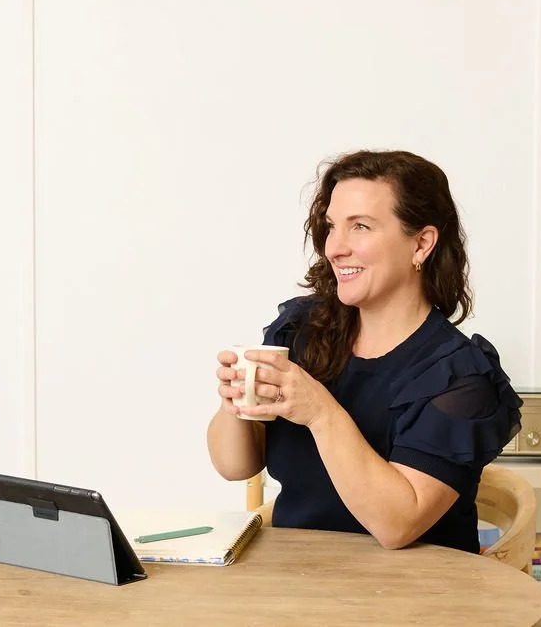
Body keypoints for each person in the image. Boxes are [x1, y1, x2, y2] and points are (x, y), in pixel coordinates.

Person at [206, 149, 522, 553]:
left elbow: (397, 526)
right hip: (296, 583)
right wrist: (234, 400)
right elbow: (235, 466)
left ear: (421, 244)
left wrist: (320, 412)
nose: (335, 247)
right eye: (332, 226)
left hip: (416, 597)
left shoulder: (460, 377)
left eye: (360, 227)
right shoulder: (302, 331)